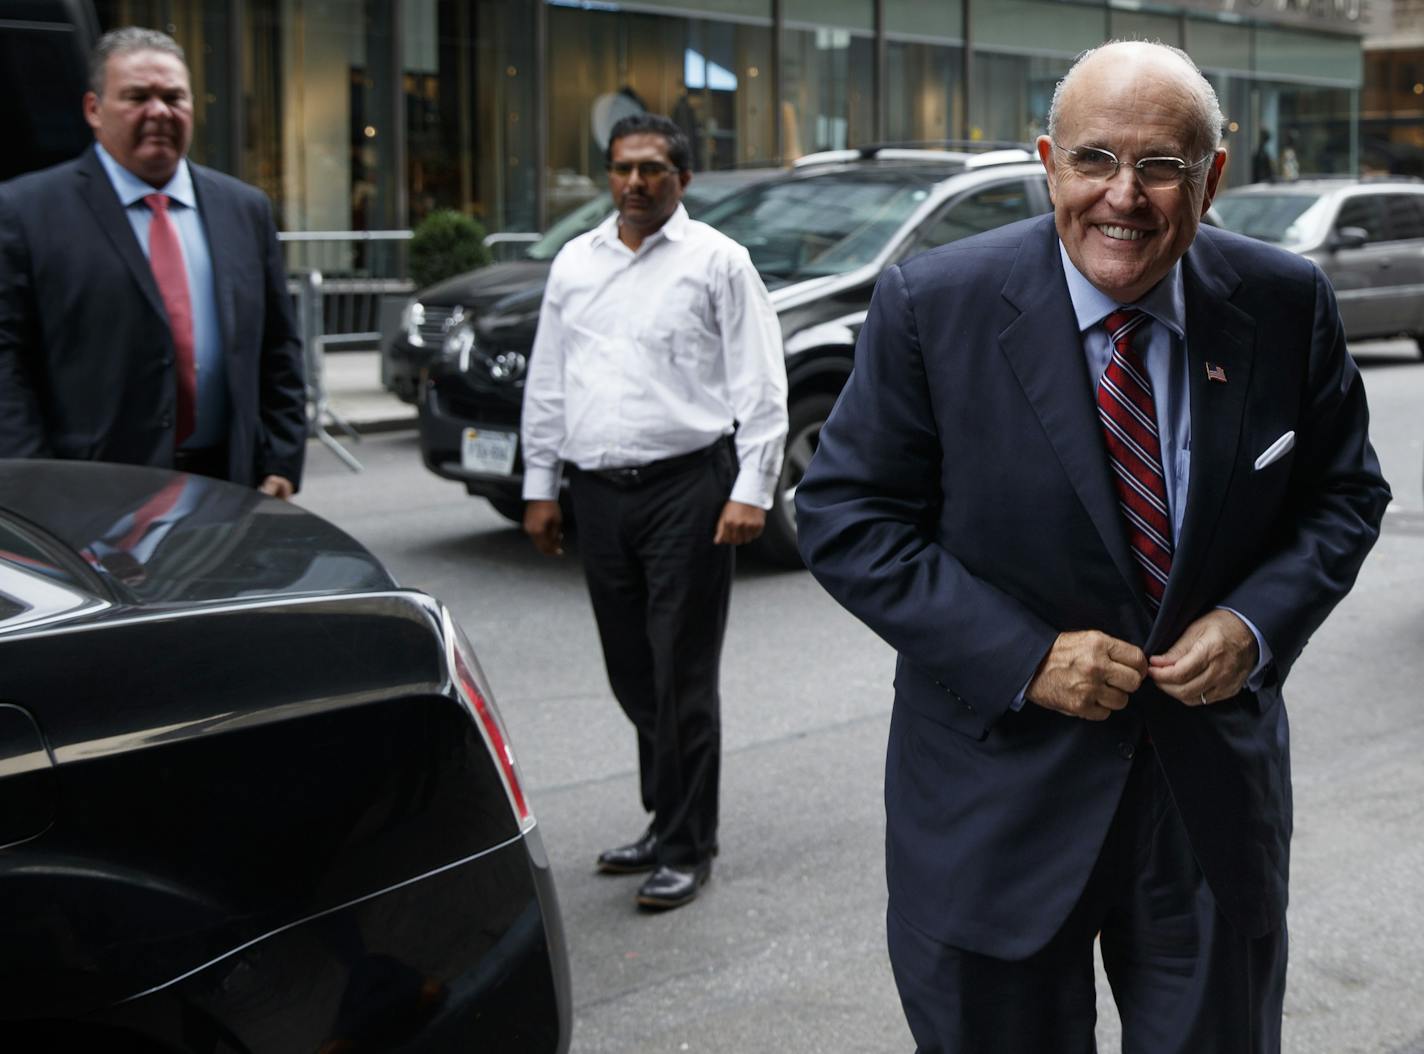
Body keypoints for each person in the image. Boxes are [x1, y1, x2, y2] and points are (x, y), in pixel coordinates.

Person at [795, 41, 1389, 1052]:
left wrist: (1252, 626)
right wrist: (1022, 656)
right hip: (994, 802)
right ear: (1046, 161)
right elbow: (847, 516)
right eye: (1093, 160)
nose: (1123, 196)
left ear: (1211, 175)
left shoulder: (1282, 302)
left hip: (1205, 804)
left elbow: (1341, 494)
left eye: (1159, 165)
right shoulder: (929, 306)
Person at [521, 113, 787, 911]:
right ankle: (662, 815)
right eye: (621, 168)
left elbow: (762, 385)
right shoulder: (575, 263)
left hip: (688, 490)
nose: (635, 182)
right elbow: (549, 379)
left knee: (681, 673)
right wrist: (540, 484)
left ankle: (685, 842)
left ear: (683, 178)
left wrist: (752, 489)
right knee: (633, 670)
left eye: (652, 169)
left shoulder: (718, 262)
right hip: (598, 491)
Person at [0, 27, 306, 496]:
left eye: (173, 97)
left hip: (232, 484)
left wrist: (281, 461)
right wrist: (36, 482)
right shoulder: (25, 210)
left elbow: (278, 348)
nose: (159, 111)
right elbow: (7, 363)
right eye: (137, 96)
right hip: (89, 494)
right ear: (93, 110)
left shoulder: (245, 209)